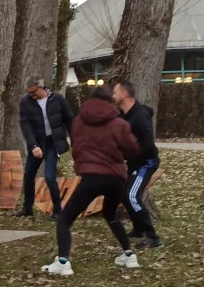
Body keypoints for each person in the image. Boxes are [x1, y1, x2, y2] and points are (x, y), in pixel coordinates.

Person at [41, 86, 141, 276]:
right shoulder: (118, 123)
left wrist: (82, 163)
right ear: (109, 102)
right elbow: (132, 148)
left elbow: (76, 147)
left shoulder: (79, 121)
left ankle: (63, 262)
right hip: (116, 178)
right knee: (111, 214)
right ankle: (129, 255)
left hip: (91, 177)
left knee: (64, 219)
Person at [14, 76, 74, 221]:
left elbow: (69, 119)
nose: (31, 95)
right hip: (37, 143)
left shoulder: (57, 99)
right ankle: (27, 208)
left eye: (33, 92)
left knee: (49, 176)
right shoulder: (26, 103)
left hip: (53, 143)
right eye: (28, 92)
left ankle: (58, 211)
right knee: (28, 175)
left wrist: (76, 138)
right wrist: (33, 146)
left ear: (41, 87)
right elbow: (26, 126)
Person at [113, 80, 162, 248]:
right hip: (134, 163)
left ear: (125, 94)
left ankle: (152, 237)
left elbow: (148, 144)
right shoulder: (124, 116)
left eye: (115, 92)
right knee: (123, 194)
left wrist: (131, 158)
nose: (113, 96)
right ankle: (139, 228)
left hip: (146, 162)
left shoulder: (139, 116)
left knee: (132, 196)